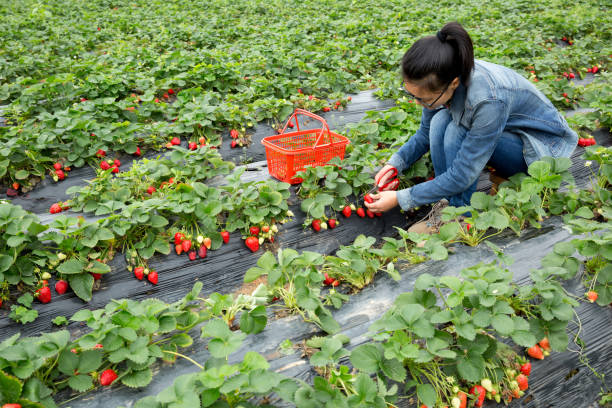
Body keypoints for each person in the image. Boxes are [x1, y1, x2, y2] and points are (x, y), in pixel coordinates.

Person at [364, 21, 578, 232]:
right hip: (506, 135)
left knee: (457, 130)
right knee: (439, 122)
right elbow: (425, 132)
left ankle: (460, 216)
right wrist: (395, 164)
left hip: (539, 151)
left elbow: (462, 174)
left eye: (424, 99)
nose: (418, 103)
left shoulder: (487, 100)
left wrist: (402, 198)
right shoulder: (442, 76)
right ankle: (447, 206)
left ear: (454, 83)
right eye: (412, 95)